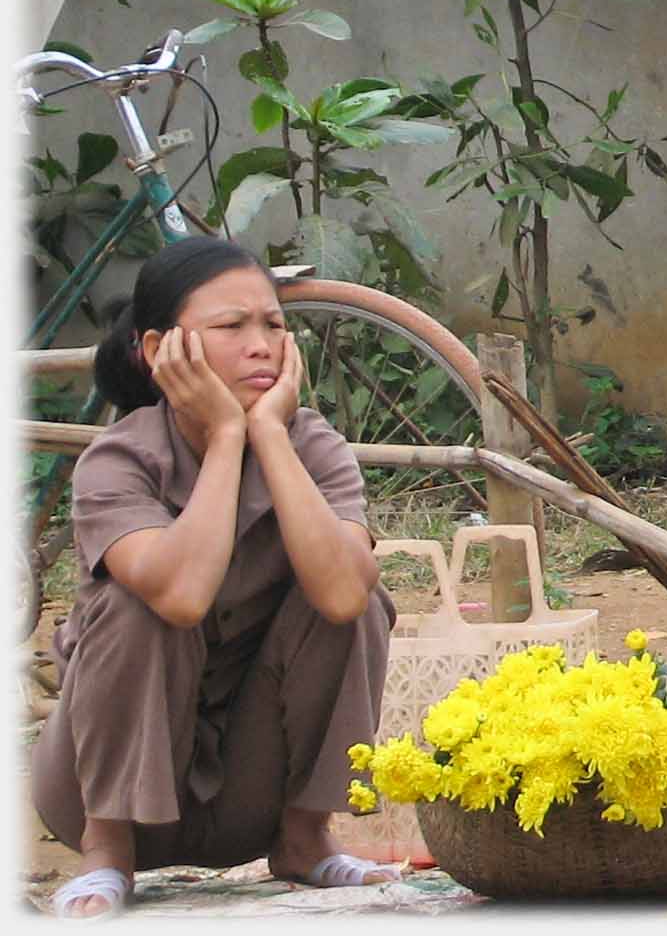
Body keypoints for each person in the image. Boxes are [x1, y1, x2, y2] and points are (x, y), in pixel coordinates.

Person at [31, 238, 399, 919]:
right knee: (136, 603)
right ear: (158, 351)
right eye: (232, 327)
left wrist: (270, 439)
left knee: (359, 595)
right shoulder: (118, 461)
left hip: (246, 793)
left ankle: (304, 838)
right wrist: (227, 438)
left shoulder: (315, 449)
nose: (260, 344)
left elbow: (347, 596)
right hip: (99, 796)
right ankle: (106, 853)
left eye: (274, 326)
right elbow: (181, 595)